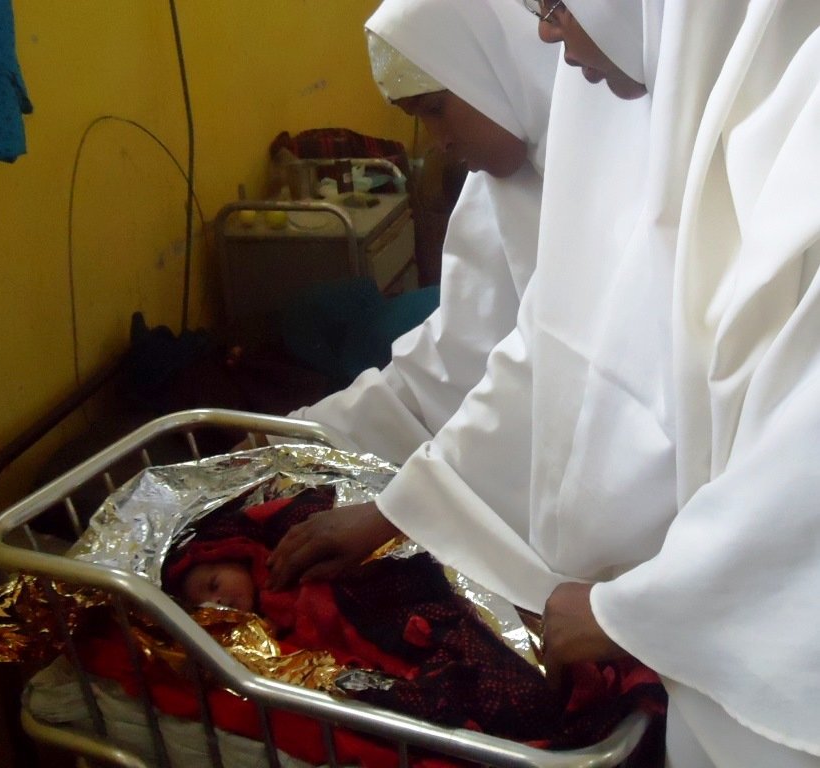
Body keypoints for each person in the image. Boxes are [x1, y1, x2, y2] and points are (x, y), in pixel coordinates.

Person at [270, 1, 820, 765]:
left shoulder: (769, 130)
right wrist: (397, 500)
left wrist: (641, 609)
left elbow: (796, 460)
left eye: (556, 4)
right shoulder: (651, 124)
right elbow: (549, 350)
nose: (545, 33)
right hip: (695, 621)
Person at [285, 0, 558, 465]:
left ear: (492, 65)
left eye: (437, 109)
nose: (441, 141)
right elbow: (455, 363)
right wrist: (304, 436)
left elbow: (550, 386)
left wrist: (411, 503)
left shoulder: (610, 177)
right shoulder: (493, 190)